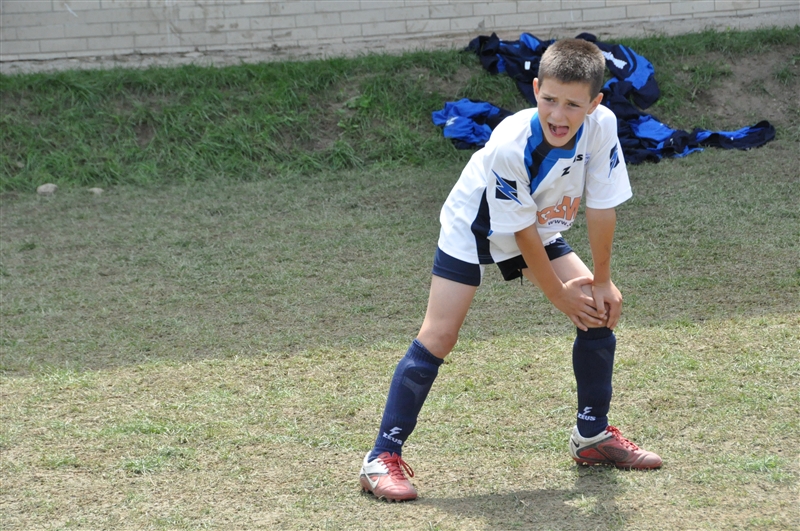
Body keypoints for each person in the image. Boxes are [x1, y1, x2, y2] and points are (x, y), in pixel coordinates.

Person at [359, 38, 662, 503]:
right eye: (549, 99)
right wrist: (558, 294)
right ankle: (381, 457)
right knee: (439, 335)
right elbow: (518, 232)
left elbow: (602, 208)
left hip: (537, 226)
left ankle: (592, 436)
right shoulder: (510, 143)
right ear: (535, 88)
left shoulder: (603, 125)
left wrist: (601, 281)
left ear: (595, 102)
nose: (558, 114)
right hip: (474, 228)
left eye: (573, 104)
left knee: (597, 310)